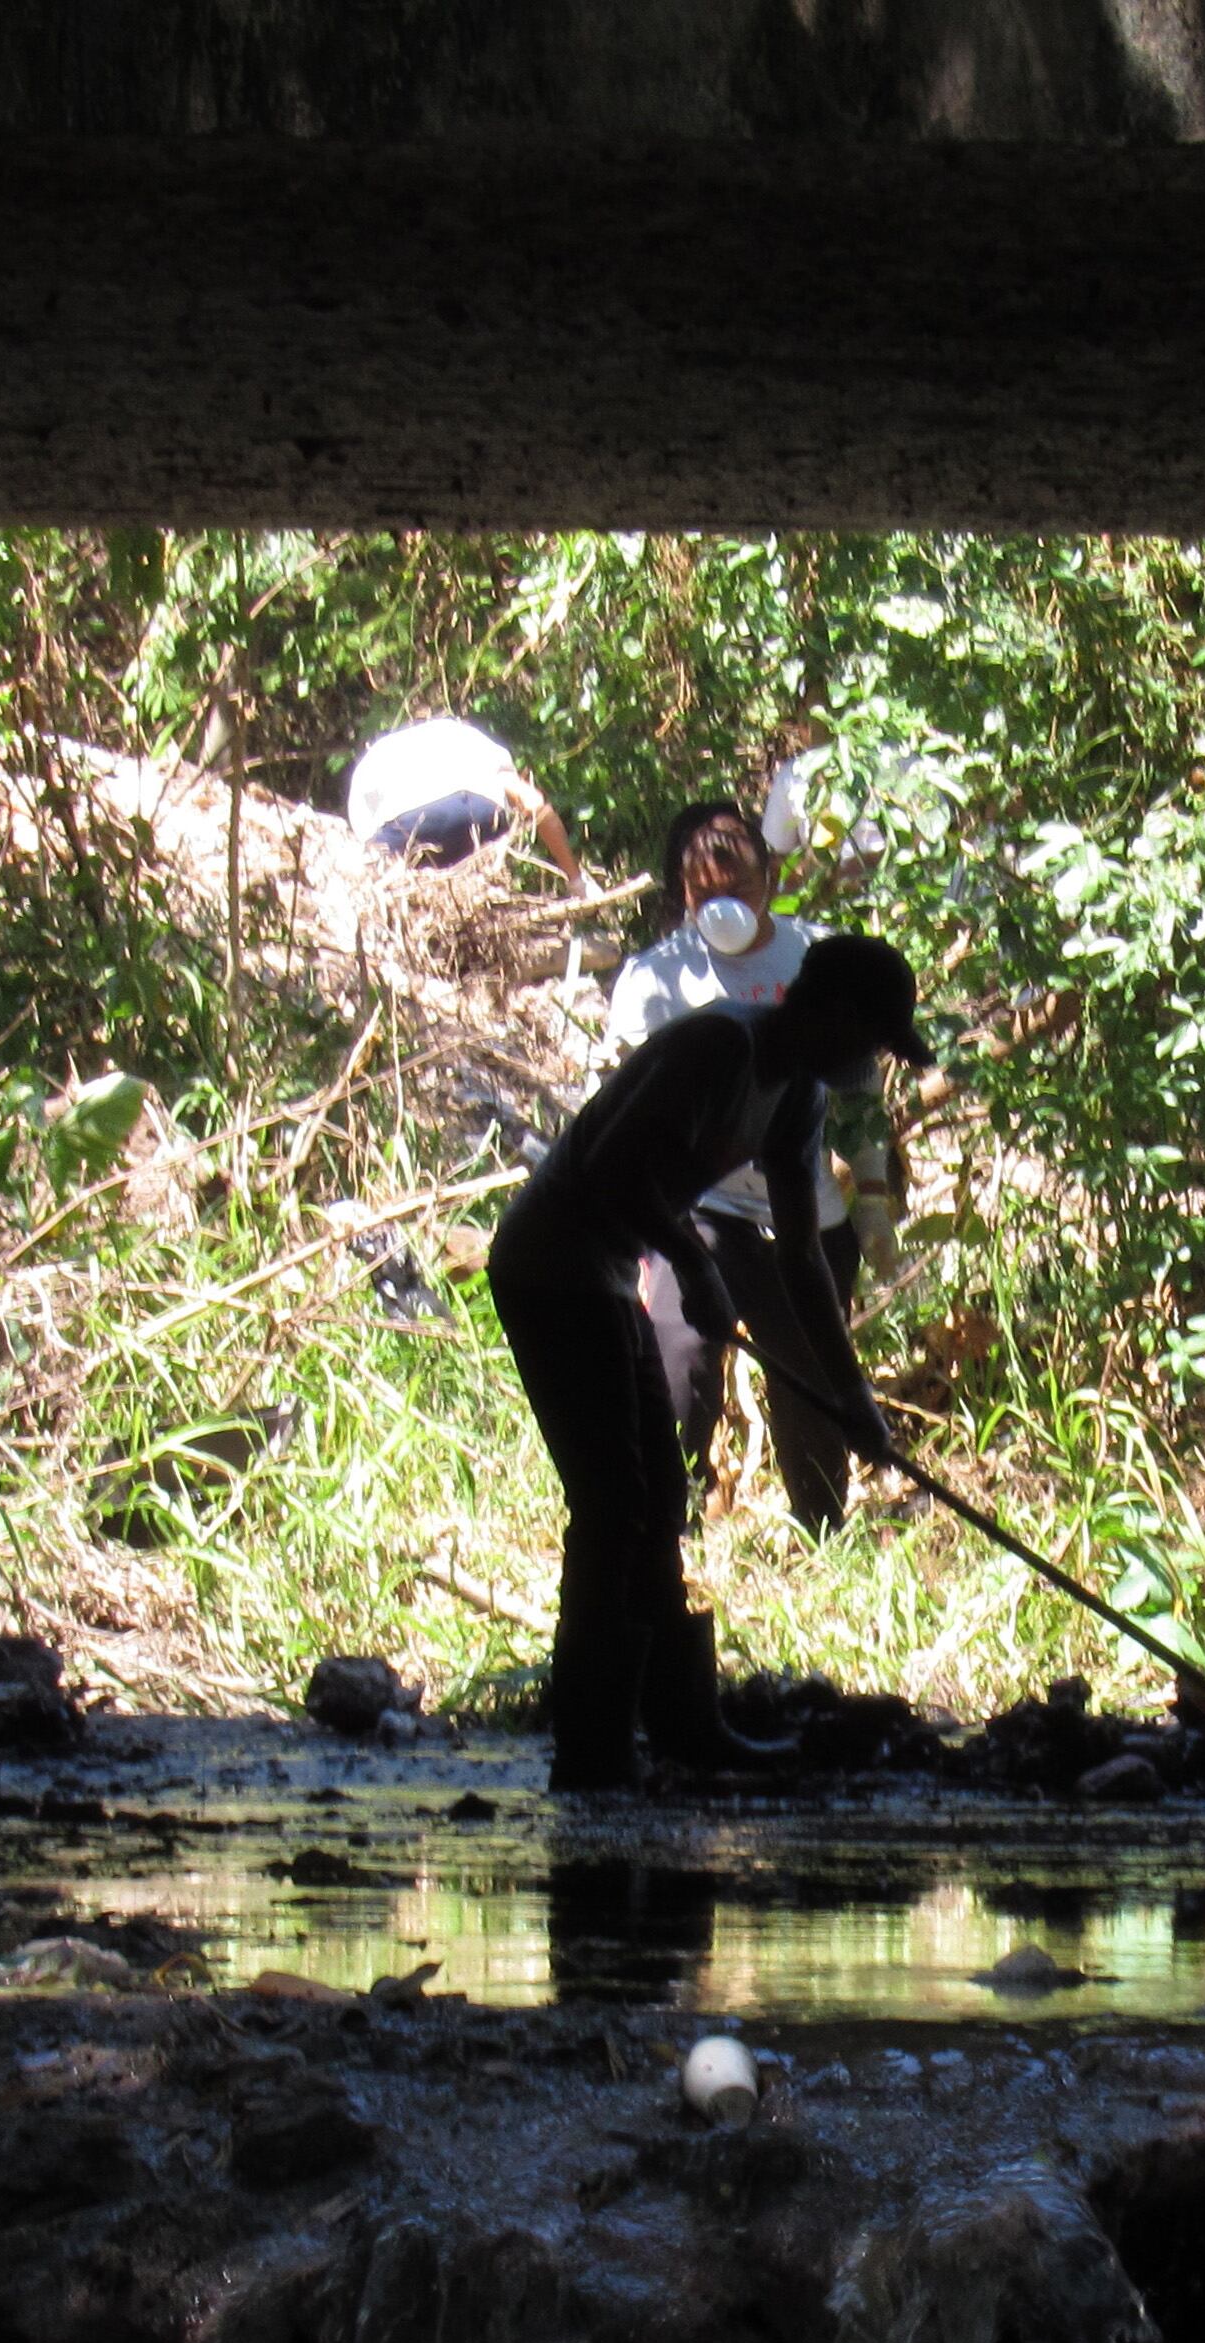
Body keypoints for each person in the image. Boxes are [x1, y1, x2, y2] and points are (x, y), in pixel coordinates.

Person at [489, 933, 931, 1793]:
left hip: (608, 1273)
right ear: (831, 1012)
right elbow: (611, 1169)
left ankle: (683, 1726)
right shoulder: (718, 1045)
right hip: (549, 1264)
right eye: (874, 1037)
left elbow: (802, 1254)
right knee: (614, 1503)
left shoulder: (795, 1093)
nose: (874, 1058)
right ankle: (593, 1745)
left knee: (656, 1496)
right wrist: (693, 1265)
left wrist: (852, 1397)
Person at [604, 797, 905, 1533]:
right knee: (677, 1360)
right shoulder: (653, 982)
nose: (721, 906)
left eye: (736, 888)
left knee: (808, 1378)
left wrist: (871, 1199)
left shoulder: (820, 962)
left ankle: (823, 1533)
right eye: (703, 893)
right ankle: (656, 1527)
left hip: (804, 1202)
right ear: (680, 891)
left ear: (770, 875)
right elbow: (629, 1133)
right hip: (698, 1208)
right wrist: (665, 1242)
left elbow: (861, 1092)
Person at [345, 715, 575, 873]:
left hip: (402, 833)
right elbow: (533, 803)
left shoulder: (377, 756)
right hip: (476, 811)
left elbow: (366, 836)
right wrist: (576, 880)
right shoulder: (464, 737)